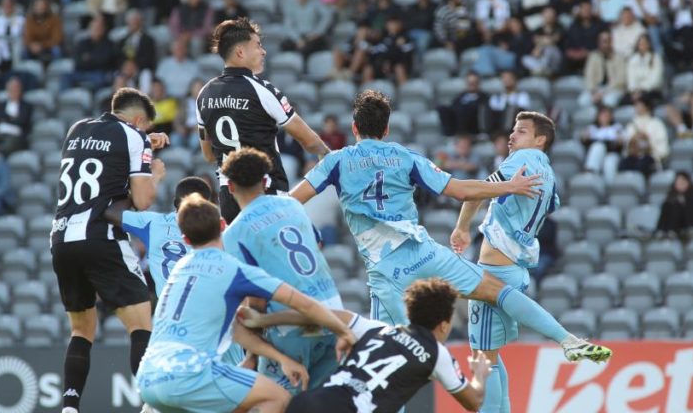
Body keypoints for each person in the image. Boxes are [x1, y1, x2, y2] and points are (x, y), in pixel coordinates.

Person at [291, 91, 612, 363]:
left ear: (354, 127)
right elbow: (460, 190)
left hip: (387, 271)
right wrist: (507, 187)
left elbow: (293, 200)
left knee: (390, 363)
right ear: (387, 129)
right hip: (425, 253)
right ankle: (566, 339)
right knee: (496, 291)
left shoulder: (335, 161)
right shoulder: (405, 157)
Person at [136, 193, 356, 413]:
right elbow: (304, 304)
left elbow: (237, 329)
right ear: (223, 225)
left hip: (148, 376)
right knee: (276, 398)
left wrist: (278, 358)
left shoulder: (179, 270)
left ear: (185, 239)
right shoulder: (233, 270)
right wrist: (343, 331)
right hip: (190, 373)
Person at [51, 87, 169, 413]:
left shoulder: (77, 130)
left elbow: (106, 162)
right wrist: (155, 174)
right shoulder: (134, 136)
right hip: (100, 235)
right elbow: (142, 201)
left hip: (62, 237)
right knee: (142, 322)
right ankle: (151, 404)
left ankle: (70, 406)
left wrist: (146, 141)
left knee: (82, 329)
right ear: (139, 119)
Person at [451, 111, 576, 412]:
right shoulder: (547, 172)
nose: (512, 136)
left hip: (496, 267)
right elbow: (552, 204)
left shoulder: (523, 161)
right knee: (491, 356)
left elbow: (478, 190)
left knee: (483, 358)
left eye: (521, 131)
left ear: (539, 139)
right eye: (513, 130)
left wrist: (462, 227)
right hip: (516, 267)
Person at [243, 278, 492, 413]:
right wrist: (479, 375)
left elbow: (316, 314)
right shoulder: (437, 353)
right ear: (445, 324)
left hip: (311, 402)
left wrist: (265, 319)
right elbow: (473, 402)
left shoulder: (375, 329)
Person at [221, 148, 343, 394]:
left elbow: (256, 300)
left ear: (230, 187)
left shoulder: (234, 233)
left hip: (292, 330)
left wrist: (253, 356)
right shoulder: (292, 205)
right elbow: (316, 244)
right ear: (266, 181)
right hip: (334, 316)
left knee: (273, 402)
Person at [196, 17, 330, 223]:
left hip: (229, 198)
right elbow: (309, 141)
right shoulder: (263, 91)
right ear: (240, 52)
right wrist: (327, 155)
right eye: (258, 45)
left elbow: (207, 155)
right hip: (266, 192)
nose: (263, 51)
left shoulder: (204, 94)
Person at [103, 176, 212, 297]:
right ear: (208, 206)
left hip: (167, 309)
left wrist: (133, 195)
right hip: (204, 305)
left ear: (176, 203)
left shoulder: (153, 222)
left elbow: (110, 213)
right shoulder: (218, 232)